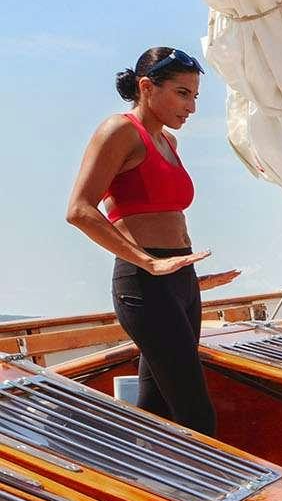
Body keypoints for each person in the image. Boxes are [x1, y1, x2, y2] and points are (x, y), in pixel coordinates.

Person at [64, 47, 238, 435]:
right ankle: (203, 495)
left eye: (195, 96)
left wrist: (187, 273)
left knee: (155, 408)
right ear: (146, 87)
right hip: (144, 284)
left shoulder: (169, 144)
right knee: (196, 415)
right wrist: (149, 262)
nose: (191, 107)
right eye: (182, 93)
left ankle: (144, 490)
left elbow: (166, 219)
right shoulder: (119, 131)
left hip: (178, 280)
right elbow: (79, 209)